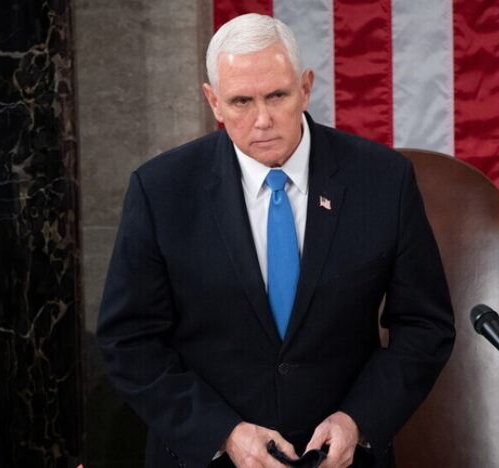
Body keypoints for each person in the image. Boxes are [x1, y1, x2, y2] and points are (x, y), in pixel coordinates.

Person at [97, 13, 454, 468]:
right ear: (214, 102)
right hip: (208, 458)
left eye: (277, 96)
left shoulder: (383, 180)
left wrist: (359, 421)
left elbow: (425, 325)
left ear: (305, 87)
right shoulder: (161, 190)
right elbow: (128, 341)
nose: (262, 120)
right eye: (241, 101)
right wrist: (221, 433)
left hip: (343, 458)